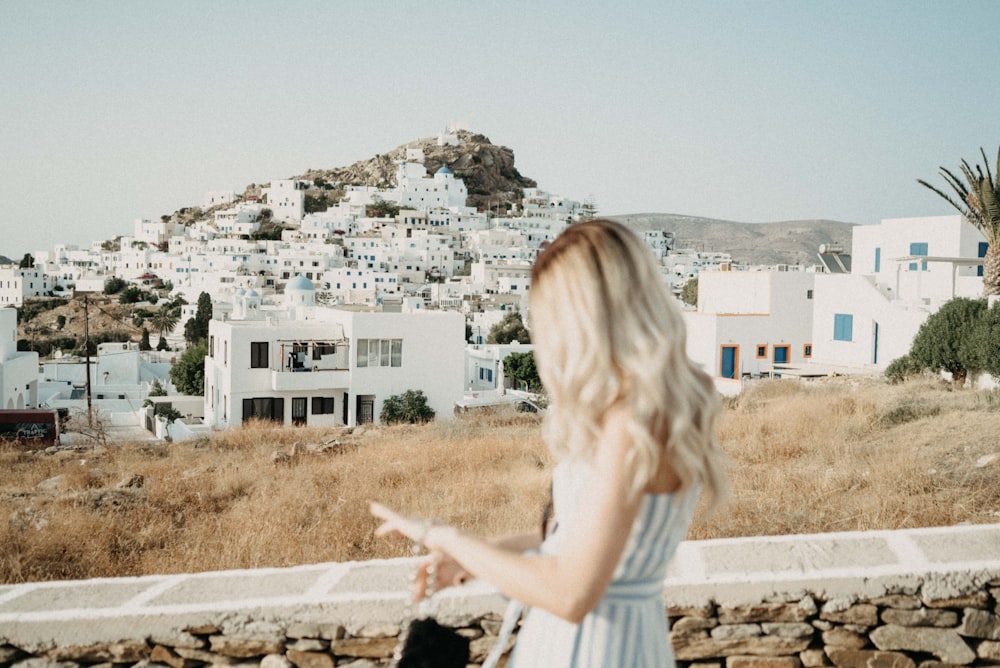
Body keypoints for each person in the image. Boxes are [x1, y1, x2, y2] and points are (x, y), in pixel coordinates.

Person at [371, 219, 728, 667]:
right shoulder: (660, 410)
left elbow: (570, 591)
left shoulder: (631, 423)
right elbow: (579, 539)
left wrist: (441, 534)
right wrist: (483, 556)